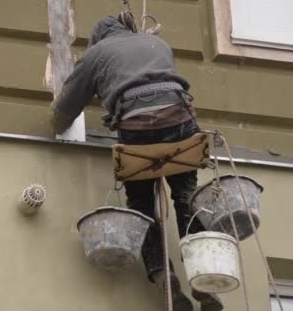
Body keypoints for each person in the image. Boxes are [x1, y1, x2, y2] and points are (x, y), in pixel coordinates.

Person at [50, 16, 223, 311]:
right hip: (178, 119)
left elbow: (68, 104)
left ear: (98, 38)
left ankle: (162, 275)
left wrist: (55, 121)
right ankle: (202, 277)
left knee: (142, 206)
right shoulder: (156, 42)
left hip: (137, 127)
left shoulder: (97, 53)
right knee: (184, 198)